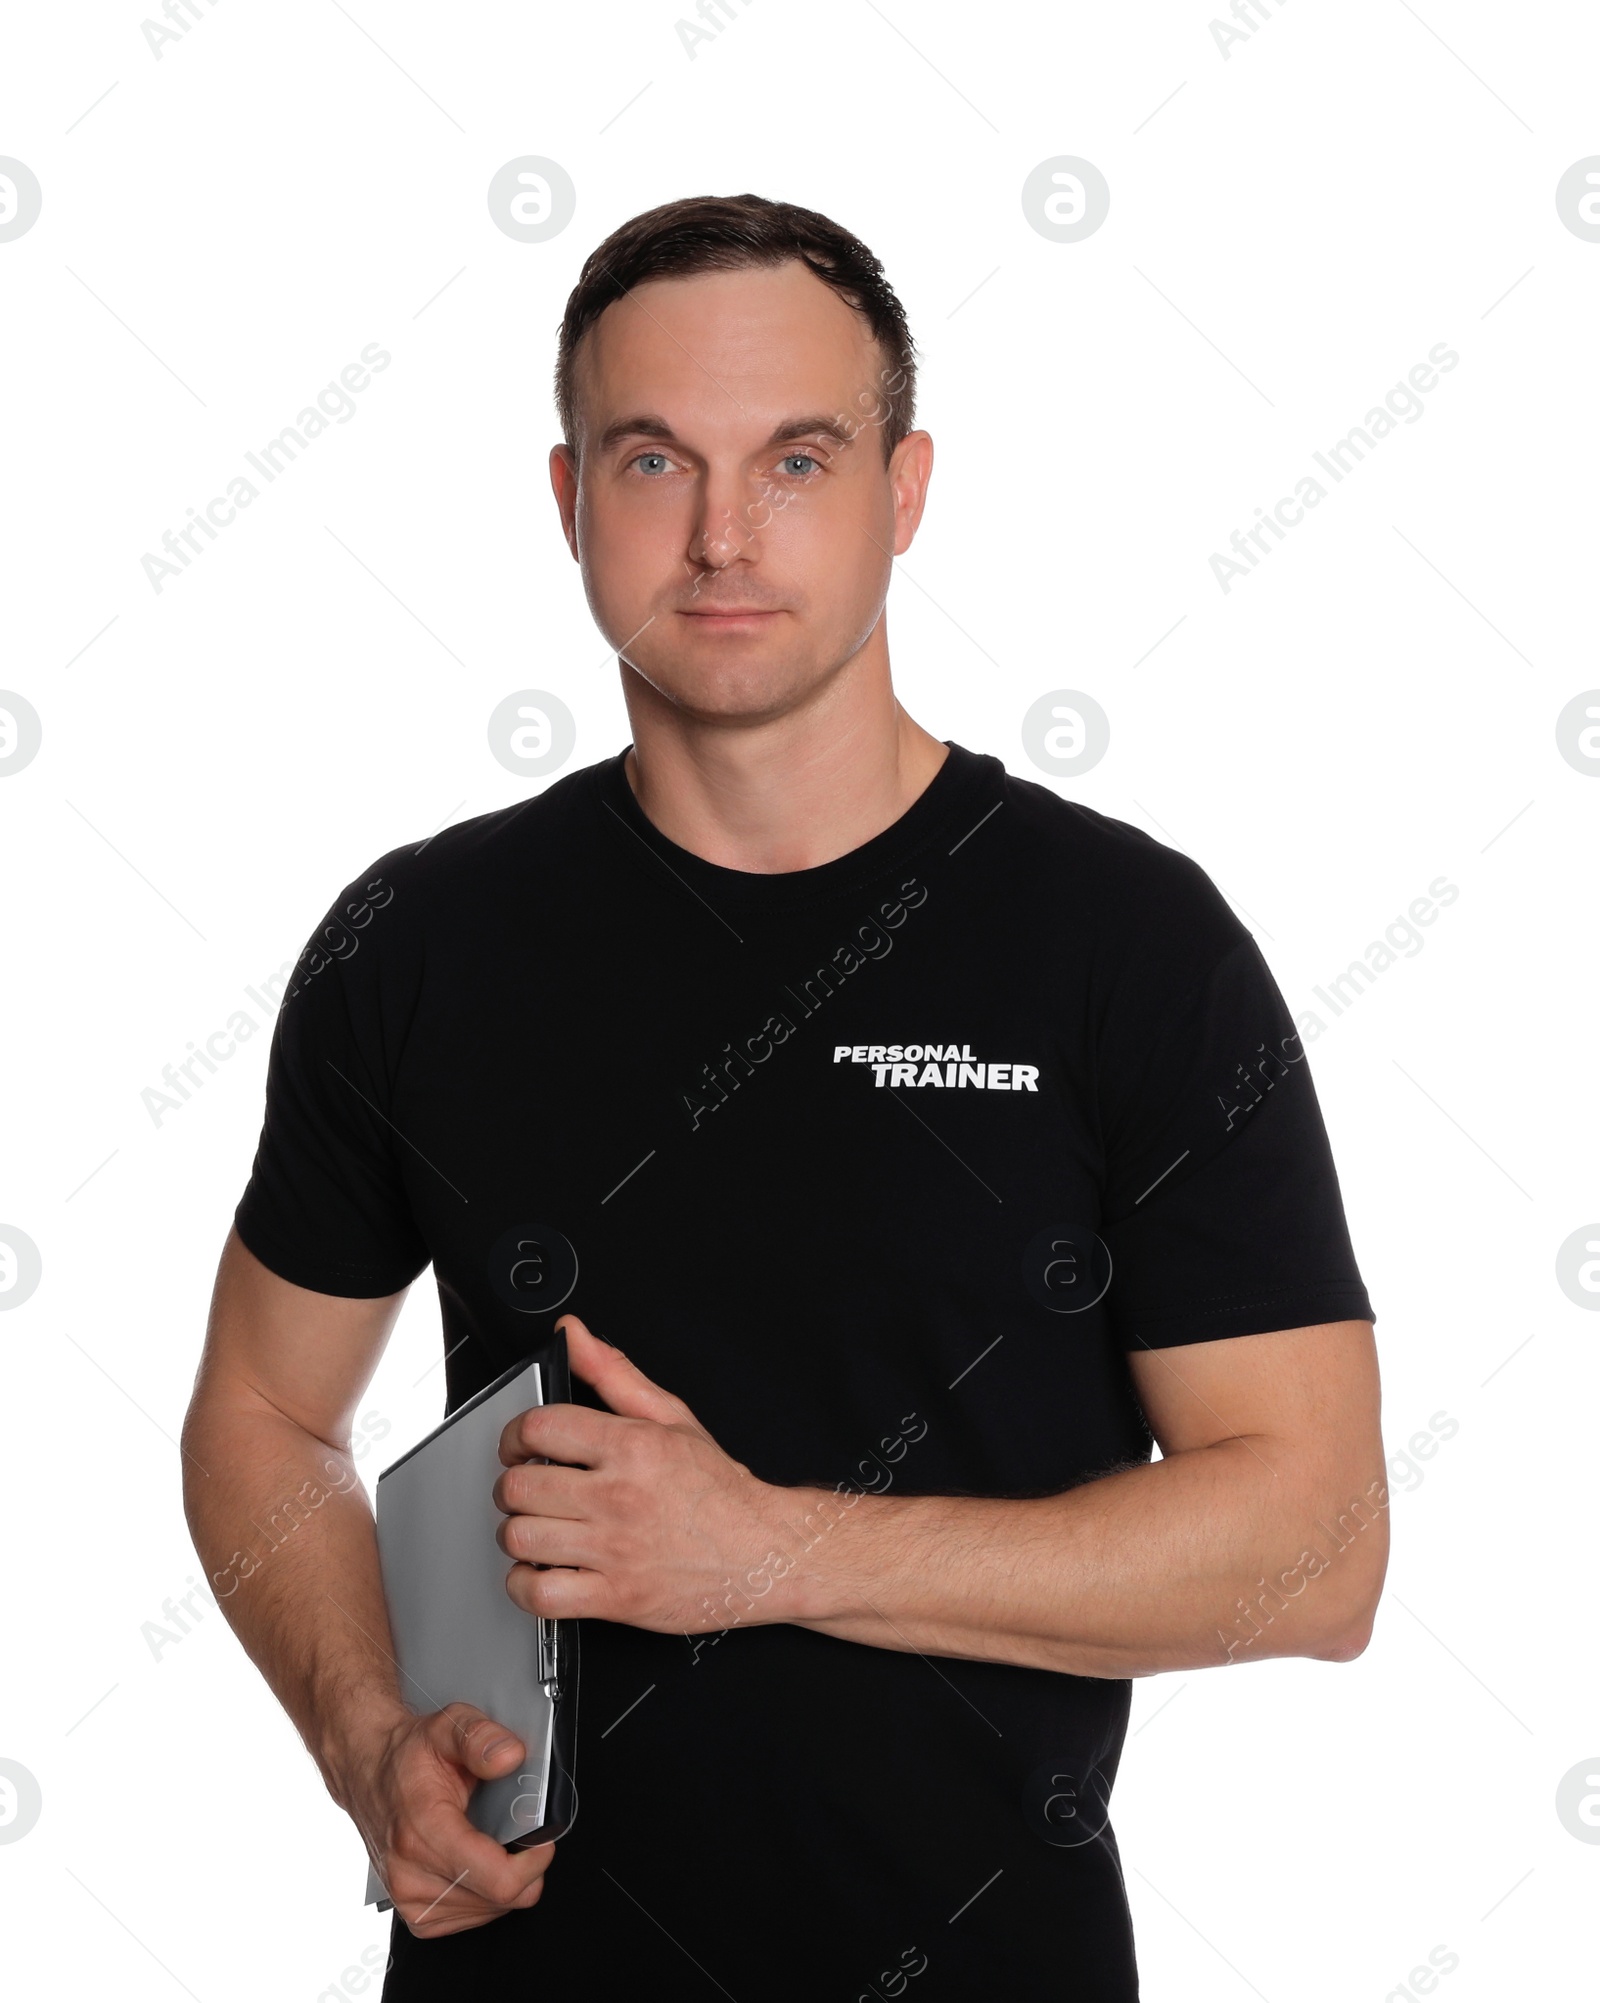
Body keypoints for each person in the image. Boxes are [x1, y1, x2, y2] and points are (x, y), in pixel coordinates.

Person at [182, 193, 1387, 2001]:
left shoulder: (1125, 944)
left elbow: (1318, 1549)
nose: (724, 535)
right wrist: (366, 1738)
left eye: (799, 460)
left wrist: (762, 1551)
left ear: (905, 493)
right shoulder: (419, 942)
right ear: (571, 500)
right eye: (654, 458)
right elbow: (260, 1420)